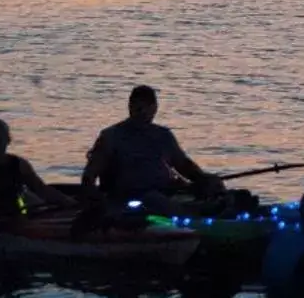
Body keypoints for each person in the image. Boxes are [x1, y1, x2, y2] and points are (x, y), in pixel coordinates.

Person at [79, 85, 219, 213]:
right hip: (126, 199)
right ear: (130, 107)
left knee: (214, 184)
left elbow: (183, 165)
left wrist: (203, 179)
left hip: (164, 193)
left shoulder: (163, 135)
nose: (142, 113)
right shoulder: (111, 136)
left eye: (147, 108)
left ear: (155, 108)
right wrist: (96, 202)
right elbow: (89, 176)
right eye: (138, 108)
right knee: (156, 200)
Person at [0, 118, 74, 226]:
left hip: (16, 220)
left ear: (8, 140)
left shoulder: (20, 165)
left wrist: (67, 201)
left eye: (0, 139)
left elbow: (41, 190)